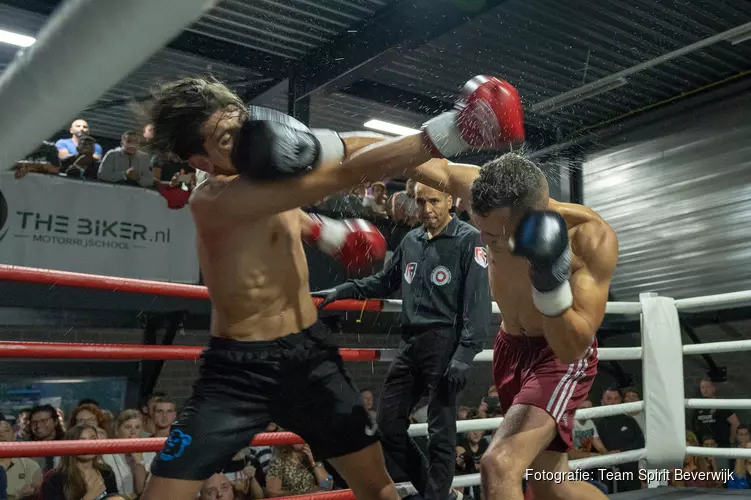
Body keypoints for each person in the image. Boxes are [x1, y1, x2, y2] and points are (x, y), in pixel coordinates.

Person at [140, 75, 524, 500]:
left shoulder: (260, 175)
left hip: (309, 359)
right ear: (201, 161)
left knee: (377, 488)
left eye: (243, 124)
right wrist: (454, 130)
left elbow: (321, 171)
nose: (246, 139)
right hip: (238, 372)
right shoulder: (212, 201)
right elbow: (346, 170)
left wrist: (324, 231)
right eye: (228, 138)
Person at [412, 152, 618, 500]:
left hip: (559, 355)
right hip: (510, 350)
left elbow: (572, 347)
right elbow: (421, 162)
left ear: (530, 222)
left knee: (499, 464)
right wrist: (327, 150)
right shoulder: (485, 193)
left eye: (494, 237)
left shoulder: (587, 236)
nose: (484, 241)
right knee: (548, 483)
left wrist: (548, 284)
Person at [314, 182, 490, 500]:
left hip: (445, 342)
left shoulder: (469, 239)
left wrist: (465, 353)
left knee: (441, 430)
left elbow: (477, 302)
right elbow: (386, 281)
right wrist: (345, 290)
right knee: (388, 425)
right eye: (420, 202)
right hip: (410, 344)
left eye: (433, 200)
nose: (426, 208)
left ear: (450, 200)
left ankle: (437, 497)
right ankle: (440, 495)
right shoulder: (411, 239)